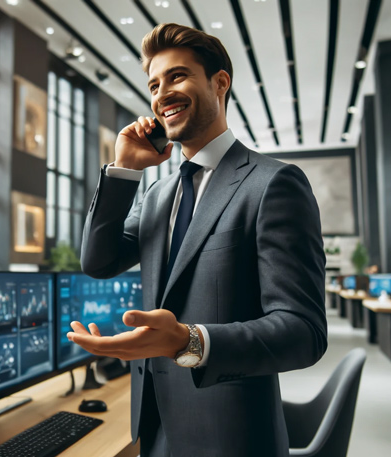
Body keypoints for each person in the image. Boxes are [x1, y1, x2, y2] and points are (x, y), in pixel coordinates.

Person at [67, 23, 327, 456]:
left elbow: (303, 331)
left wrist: (189, 341)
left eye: (177, 76)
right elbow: (98, 260)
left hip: (230, 436)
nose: (162, 93)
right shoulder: (156, 195)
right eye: (154, 83)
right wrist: (124, 170)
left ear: (219, 82)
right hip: (154, 426)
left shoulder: (273, 184)